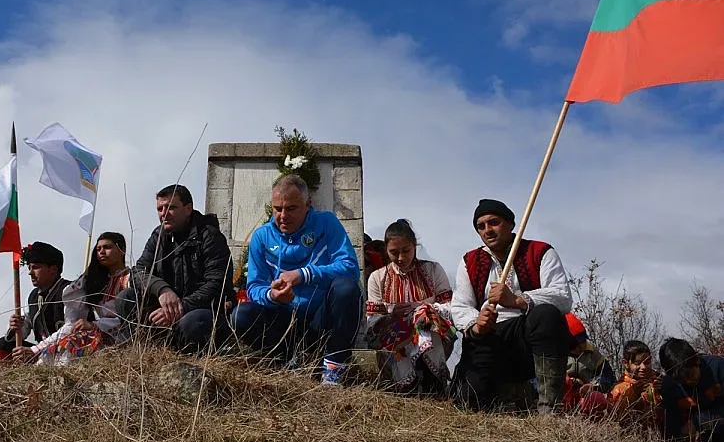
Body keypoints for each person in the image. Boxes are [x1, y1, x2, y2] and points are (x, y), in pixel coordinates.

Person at [232, 174, 362, 386]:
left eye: (291, 208)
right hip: (284, 320)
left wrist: (303, 274)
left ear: (308, 205)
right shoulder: (261, 237)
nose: (282, 215)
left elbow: (349, 267)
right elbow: (254, 287)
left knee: (346, 288)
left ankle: (333, 369)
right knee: (241, 315)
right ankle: (285, 364)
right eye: (277, 208)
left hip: (321, 317)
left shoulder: (326, 223)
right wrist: (273, 295)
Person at [451, 199, 572, 413]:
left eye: (494, 222)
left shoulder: (540, 251)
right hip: (490, 338)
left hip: (526, 336)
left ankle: (550, 408)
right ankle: (513, 393)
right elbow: (460, 306)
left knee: (546, 316)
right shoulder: (469, 261)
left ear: (511, 224)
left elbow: (562, 296)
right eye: (481, 226)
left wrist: (517, 300)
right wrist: (476, 324)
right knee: (466, 401)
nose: (487, 230)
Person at [115, 185, 234, 353]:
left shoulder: (209, 236)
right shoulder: (158, 236)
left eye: (171, 207)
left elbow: (217, 284)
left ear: (188, 209)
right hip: (166, 310)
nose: (164, 213)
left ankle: (187, 355)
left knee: (193, 322)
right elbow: (138, 272)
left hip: (204, 311)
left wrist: (180, 307)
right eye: (160, 209)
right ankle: (139, 352)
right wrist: (162, 290)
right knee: (126, 298)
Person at [366, 219, 455, 395]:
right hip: (395, 340)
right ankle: (407, 384)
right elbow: (372, 321)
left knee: (424, 320)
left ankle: (432, 380)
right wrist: (391, 316)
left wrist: (425, 309)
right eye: (394, 252)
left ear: (415, 246)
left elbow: (451, 308)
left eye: (406, 251)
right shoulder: (377, 278)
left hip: (433, 332)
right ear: (386, 250)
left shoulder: (433, 270)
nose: (400, 258)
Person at [28, 232, 130, 365]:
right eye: (98, 249)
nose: (101, 252)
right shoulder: (94, 283)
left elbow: (130, 319)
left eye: (107, 247)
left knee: (77, 341)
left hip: (126, 337)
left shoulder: (132, 278)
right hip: (99, 334)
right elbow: (72, 323)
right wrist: (36, 349)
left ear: (121, 249)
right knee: (62, 344)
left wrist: (95, 325)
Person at [0, 241, 71, 363]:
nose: (30, 272)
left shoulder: (68, 290)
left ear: (53, 269)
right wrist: (15, 326)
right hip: (43, 352)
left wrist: (35, 349)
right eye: (29, 267)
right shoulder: (33, 297)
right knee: (3, 345)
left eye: (35, 267)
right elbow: (24, 330)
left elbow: (71, 329)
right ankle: (11, 380)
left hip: (68, 351)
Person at [659, 338, 724, 442]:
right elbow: (671, 422)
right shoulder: (669, 385)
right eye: (681, 380)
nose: (688, 382)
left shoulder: (719, 368)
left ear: (697, 361)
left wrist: (696, 422)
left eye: (690, 375)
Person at [563, 313, 615, 415]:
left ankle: (591, 423)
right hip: (564, 397)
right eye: (575, 345)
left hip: (586, 397)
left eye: (582, 342)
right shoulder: (557, 354)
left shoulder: (593, 354)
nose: (580, 347)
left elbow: (608, 376)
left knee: (596, 398)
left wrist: (593, 385)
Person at [609, 340, 662, 430]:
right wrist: (633, 395)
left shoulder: (659, 380)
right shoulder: (619, 388)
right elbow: (615, 418)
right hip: (633, 436)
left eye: (647, 362)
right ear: (626, 363)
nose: (643, 367)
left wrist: (663, 391)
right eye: (637, 363)